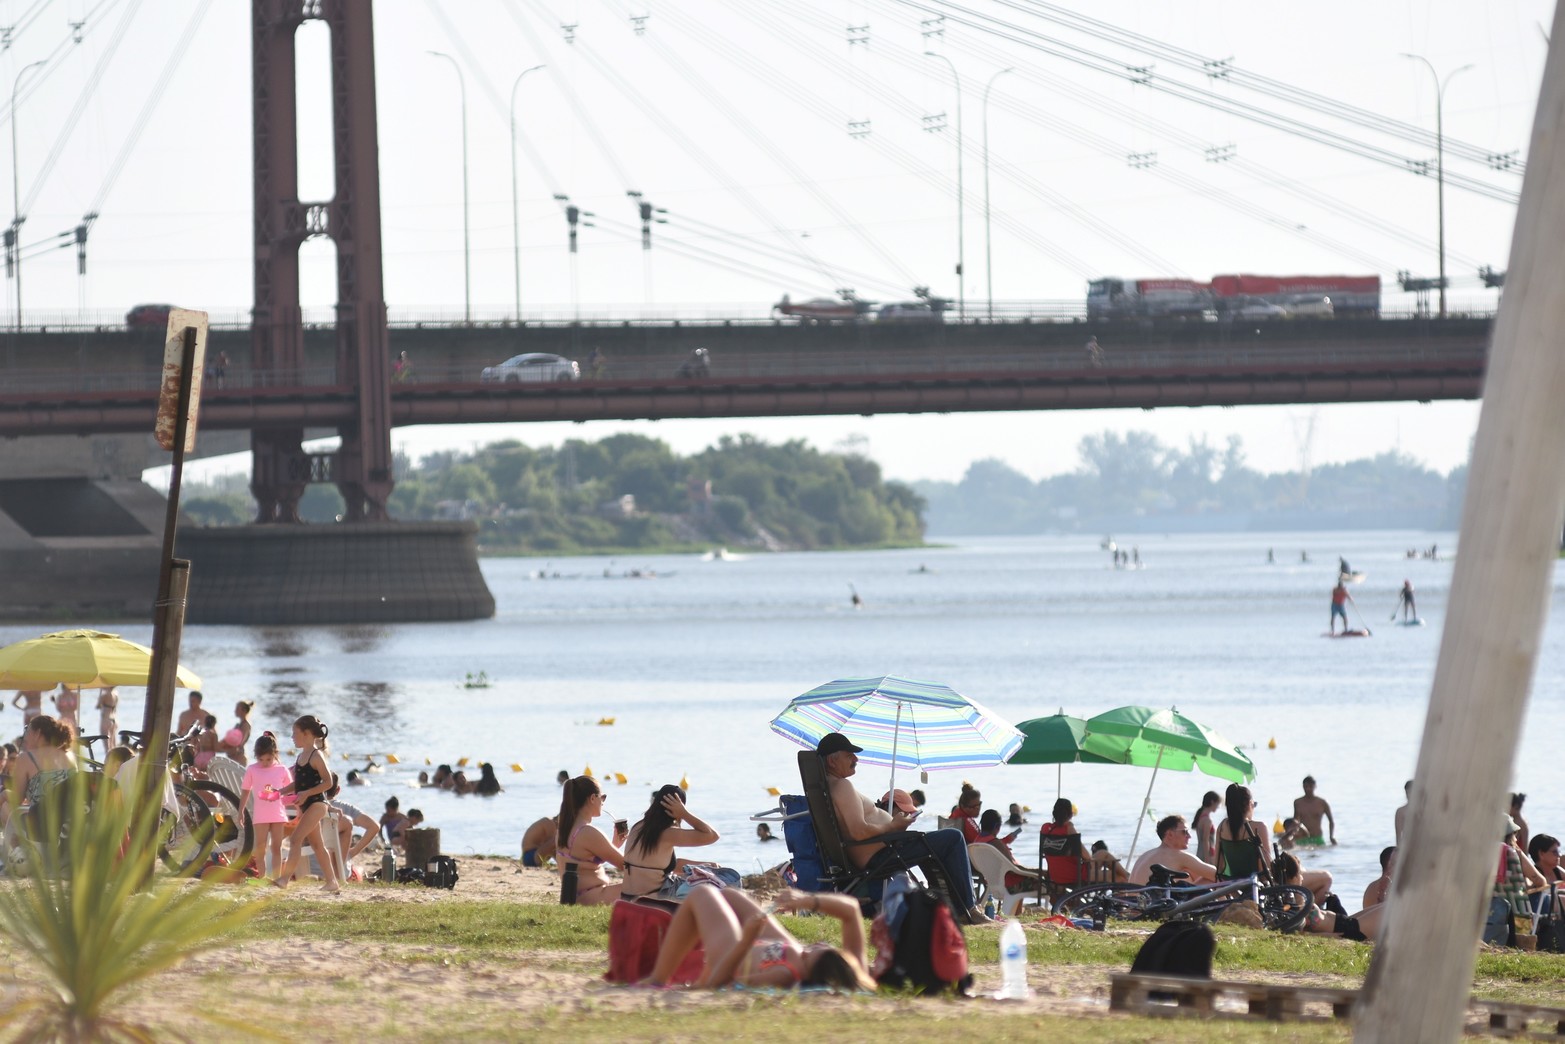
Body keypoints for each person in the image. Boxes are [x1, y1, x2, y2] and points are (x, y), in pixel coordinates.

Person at [816, 732, 993, 925]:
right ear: (832, 761)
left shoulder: (830, 786)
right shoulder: (842, 787)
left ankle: (949, 908)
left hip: (882, 850)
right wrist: (893, 825)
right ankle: (968, 908)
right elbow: (858, 832)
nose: (856, 759)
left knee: (932, 847)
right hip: (880, 856)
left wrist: (894, 828)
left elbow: (856, 830)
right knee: (954, 838)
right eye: (849, 755)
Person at [646, 886, 874, 990]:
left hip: (734, 955)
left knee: (703, 892)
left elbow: (726, 983)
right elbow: (852, 909)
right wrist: (804, 900)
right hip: (774, 952)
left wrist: (747, 939)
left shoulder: (787, 975)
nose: (819, 943)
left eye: (815, 949)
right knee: (730, 895)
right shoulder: (852, 967)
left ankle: (657, 979)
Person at [271, 715, 341, 893]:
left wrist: (307, 793)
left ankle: (284, 879)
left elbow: (328, 783)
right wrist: (279, 793)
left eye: (295, 733)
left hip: (317, 804)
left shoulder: (317, 756)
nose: (292, 737)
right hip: (307, 805)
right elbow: (299, 784)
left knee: (295, 839)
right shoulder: (302, 756)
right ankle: (332, 882)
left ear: (307, 733)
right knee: (318, 845)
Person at [622, 784, 721, 899]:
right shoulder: (668, 833)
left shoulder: (638, 827)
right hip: (652, 899)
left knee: (709, 871)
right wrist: (684, 814)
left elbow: (662, 864)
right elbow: (712, 835)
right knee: (719, 881)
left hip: (627, 897)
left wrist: (702, 865)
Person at [1273, 852, 1381, 941]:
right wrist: (1328, 936)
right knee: (1391, 908)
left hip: (1345, 922)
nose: (1302, 877)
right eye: (1300, 873)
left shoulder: (1295, 897)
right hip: (1347, 930)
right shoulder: (1292, 903)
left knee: (1388, 906)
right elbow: (1297, 934)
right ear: (1294, 877)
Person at [556, 775, 628, 905]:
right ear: (593, 798)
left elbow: (585, 862)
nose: (603, 802)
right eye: (602, 797)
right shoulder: (588, 832)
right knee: (645, 887)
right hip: (592, 897)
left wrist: (614, 845)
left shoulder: (564, 830)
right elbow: (626, 866)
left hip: (577, 896)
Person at [0, 715, 76, 829]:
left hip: (42, 827)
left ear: (38, 734)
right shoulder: (70, 756)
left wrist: (5, 793)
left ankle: (20, 845)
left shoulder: (27, 757)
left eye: (27, 730)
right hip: (69, 823)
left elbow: (17, 800)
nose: (25, 736)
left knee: (6, 806)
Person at [240, 732, 292, 878]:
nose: (265, 762)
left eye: (268, 759)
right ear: (256, 756)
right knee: (260, 848)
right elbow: (245, 791)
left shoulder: (281, 769)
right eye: (261, 759)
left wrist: (297, 806)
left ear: (275, 754)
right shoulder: (252, 769)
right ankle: (262, 877)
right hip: (260, 815)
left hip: (278, 814)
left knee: (276, 847)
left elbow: (291, 790)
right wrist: (240, 811)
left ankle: (277, 878)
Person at [1129, 815, 1217, 885]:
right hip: (1157, 905)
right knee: (1212, 880)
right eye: (1185, 832)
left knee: (1188, 874)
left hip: (1136, 904)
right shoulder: (1177, 855)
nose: (1189, 836)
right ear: (1170, 834)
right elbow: (1218, 875)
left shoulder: (1145, 855)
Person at [1213, 784, 1271, 882]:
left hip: (1232, 886)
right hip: (1255, 886)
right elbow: (1266, 867)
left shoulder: (1222, 827)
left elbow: (1219, 866)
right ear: (1249, 804)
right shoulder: (1259, 827)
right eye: (1254, 804)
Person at [1040, 797, 1083, 889]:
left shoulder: (1045, 828)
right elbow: (1086, 856)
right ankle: (1121, 893)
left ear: (1054, 813)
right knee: (1103, 855)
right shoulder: (1069, 829)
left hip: (1053, 875)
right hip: (1074, 875)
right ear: (1071, 815)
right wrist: (1071, 827)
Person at [1292, 776, 1337, 845]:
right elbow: (1295, 821)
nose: (1308, 789)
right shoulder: (1298, 802)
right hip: (1302, 838)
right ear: (1303, 787)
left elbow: (1331, 821)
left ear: (1315, 786)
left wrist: (1331, 836)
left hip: (1317, 837)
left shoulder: (1322, 803)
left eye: (1310, 786)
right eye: (1306, 786)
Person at [1527, 834, 1563, 915]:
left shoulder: (1557, 870)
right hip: (1544, 917)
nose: (1559, 855)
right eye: (1555, 852)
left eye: (1558, 851)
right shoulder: (1535, 875)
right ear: (1541, 854)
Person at [1192, 790, 1221, 864]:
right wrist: (1207, 860)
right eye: (1218, 804)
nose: (1218, 807)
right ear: (1212, 802)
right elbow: (1206, 841)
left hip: (1200, 852)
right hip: (1207, 854)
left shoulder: (1200, 817)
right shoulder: (1207, 820)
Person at [1394, 780, 1412, 844]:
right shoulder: (1401, 811)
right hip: (1408, 844)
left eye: (1411, 792)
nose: (1408, 795)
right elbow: (1398, 835)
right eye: (1407, 792)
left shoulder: (1424, 810)